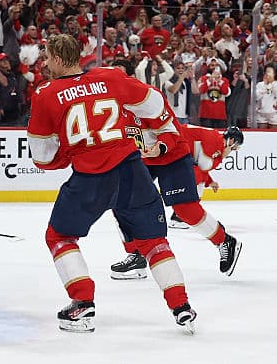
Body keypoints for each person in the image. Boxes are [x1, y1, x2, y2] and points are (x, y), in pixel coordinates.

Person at [27, 34, 196, 333]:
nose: (45, 62)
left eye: (47, 56)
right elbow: (155, 102)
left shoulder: (46, 93)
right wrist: (165, 135)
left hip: (90, 178)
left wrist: (66, 154)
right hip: (132, 170)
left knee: (59, 237)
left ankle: (82, 303)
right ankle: (181, 306)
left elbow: (42, 156)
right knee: (153, 242)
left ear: (55, 58)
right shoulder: (110, 77)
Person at [110, 120, 243, 279]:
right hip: (150, 155)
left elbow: (203, 165)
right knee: (120, 197)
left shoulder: (215, 140)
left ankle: (224, 241)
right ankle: (136, 255)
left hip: (174, 152)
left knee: (184, 208)